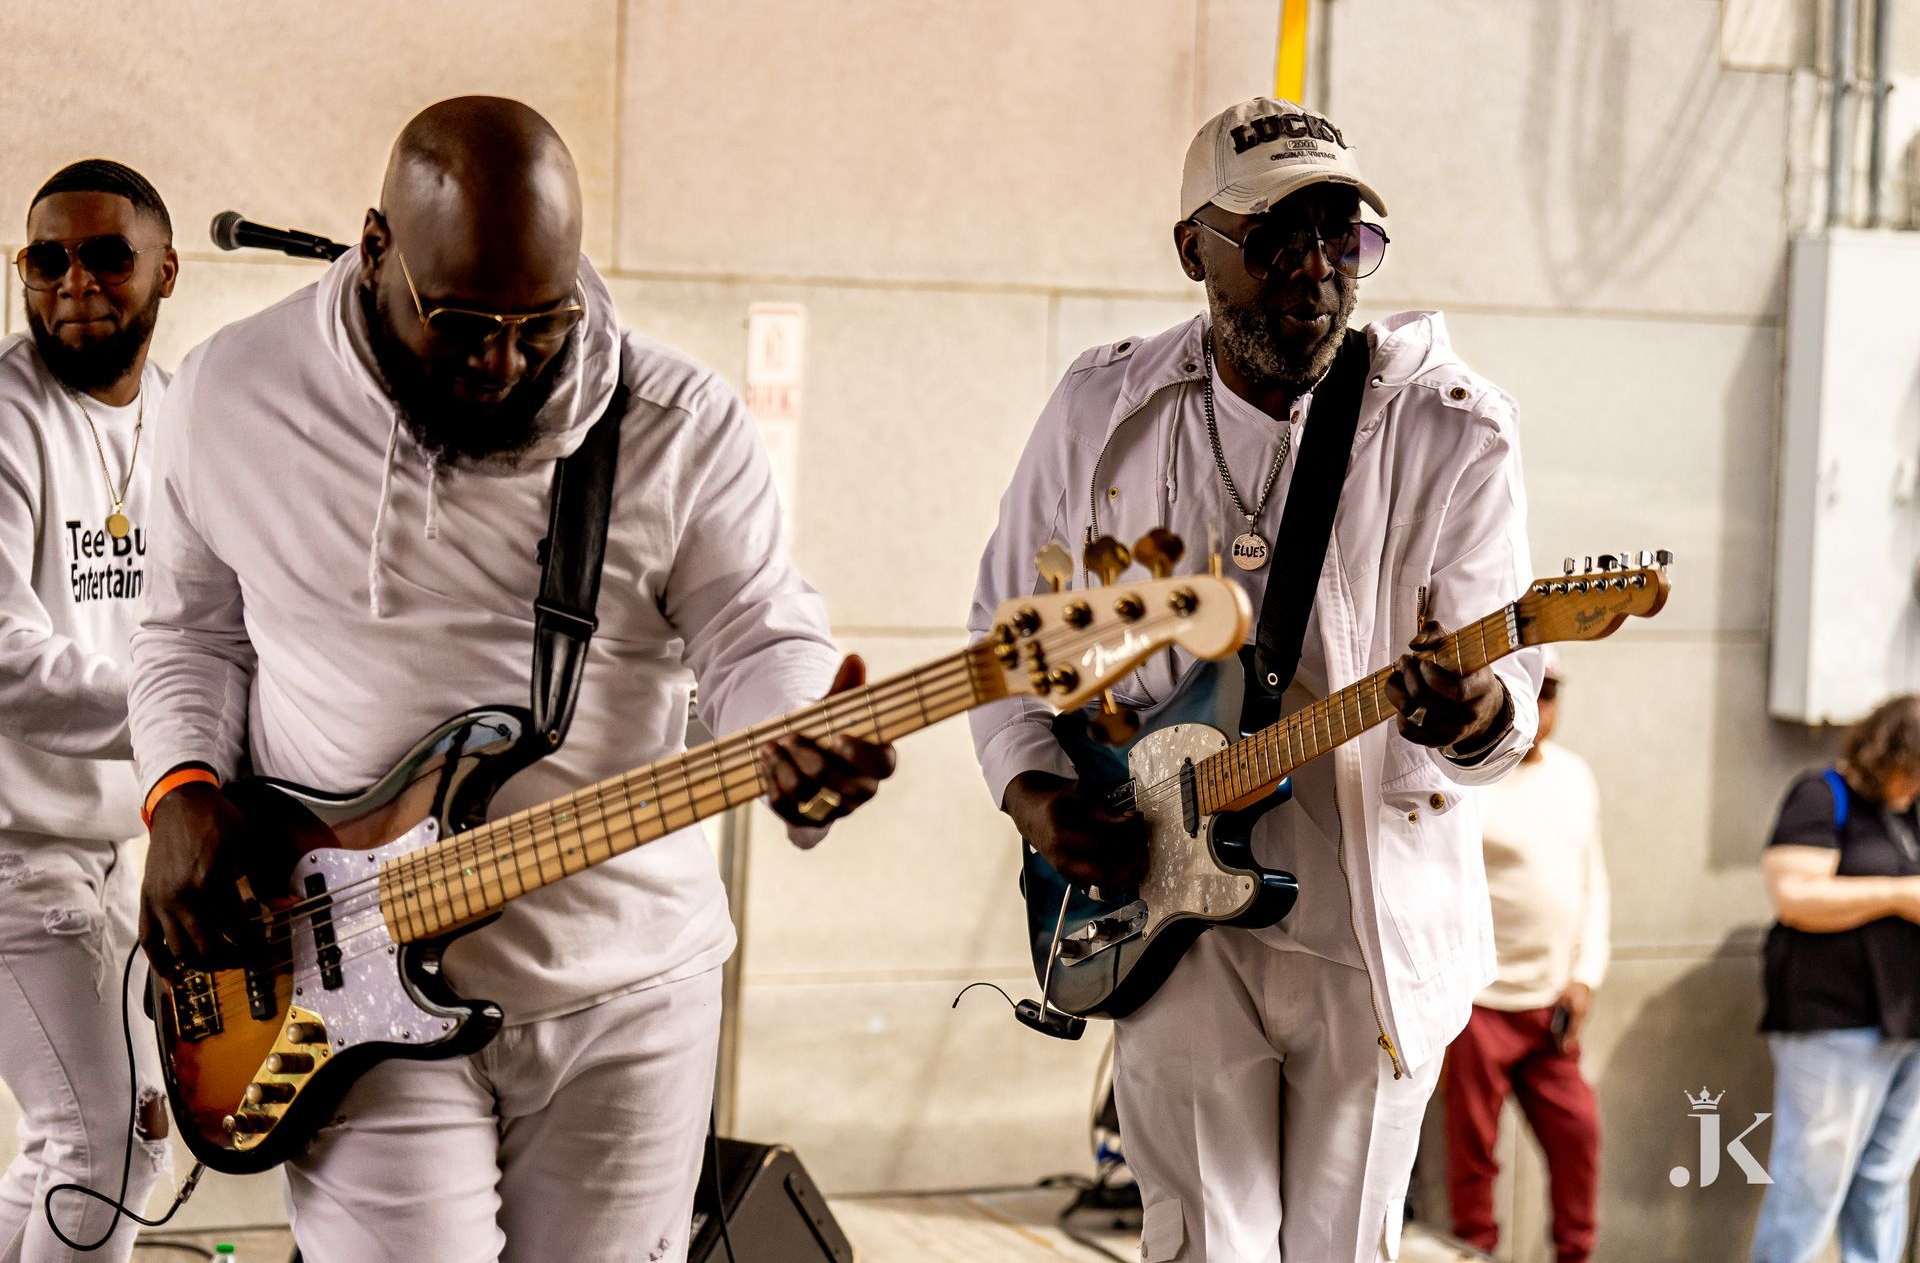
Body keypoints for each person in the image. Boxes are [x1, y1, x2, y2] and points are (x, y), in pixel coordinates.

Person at [128, 97, 894, 1263]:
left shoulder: (676, 425)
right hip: (336, 972)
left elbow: (754, 632)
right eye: (466, 324)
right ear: (376, 246)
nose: (504, 362)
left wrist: (797, 729)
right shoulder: (231, 396)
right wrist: (180, 786)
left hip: (626, 984)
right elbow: (189, 633)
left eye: (543, 326)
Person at [968, 96, 1542, 1262]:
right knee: (1200, 1243)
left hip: (1368, 923)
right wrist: (1035, 795)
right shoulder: (1103, 410)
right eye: (1278, 237)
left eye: (1345, 238)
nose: (1319, 271)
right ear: (1194, 249)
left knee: (1347, 1245)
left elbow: (1503, 697)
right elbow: (1007, 635)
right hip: (1166, 907)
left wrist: (1471, 706)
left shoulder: (1450, 428)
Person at [0, 160, 178, 1262]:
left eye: (107, 254)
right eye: (46, 257)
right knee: (102, 1142)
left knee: (120, 1140)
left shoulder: (182, 413)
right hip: (16, 846)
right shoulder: (8, 420)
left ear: (166, 268)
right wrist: (180, 712)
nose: (75, 281)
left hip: (115, 847)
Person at [1443, 650, 1608, 1262]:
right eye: (1531, 690)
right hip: (1481, 1003)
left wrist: (1585, 977)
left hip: (1551, 1006)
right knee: (1474, 1153)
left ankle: (1575, 1254)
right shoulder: (1463, 780)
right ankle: (1475, 1254)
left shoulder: (1575, 775)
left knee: (1577, 1136)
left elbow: (1594, 884)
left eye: (1551, 693)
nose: (1541, 706)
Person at [1749, 694, 1920, 1263]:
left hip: (1907, 1025)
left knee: (1884, 1182)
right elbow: (1795, 897)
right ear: (1889, 752)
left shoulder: (1909, 813)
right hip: (1836, 1023)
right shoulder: (1823, 795)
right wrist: (1899, 896)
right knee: (1811, 1184)